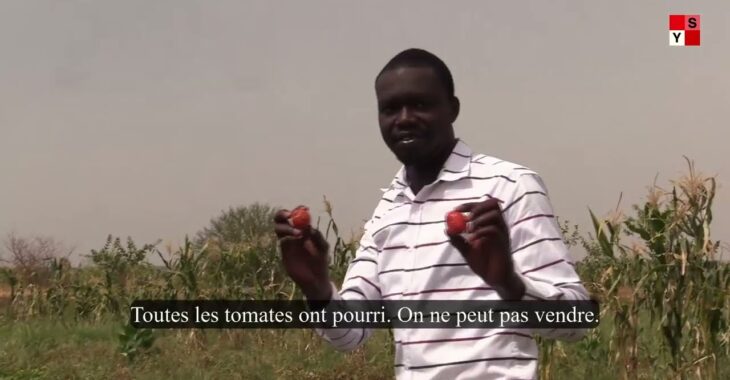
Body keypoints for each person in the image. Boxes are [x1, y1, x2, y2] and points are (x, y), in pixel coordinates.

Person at [274, 48, 589, 379]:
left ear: (452, 109)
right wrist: (317, 290)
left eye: (421, 104)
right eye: (390, 109)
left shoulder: (509, 186)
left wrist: (509, 285)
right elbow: (351, 333)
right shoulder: (388, 211)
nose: (405, 117)